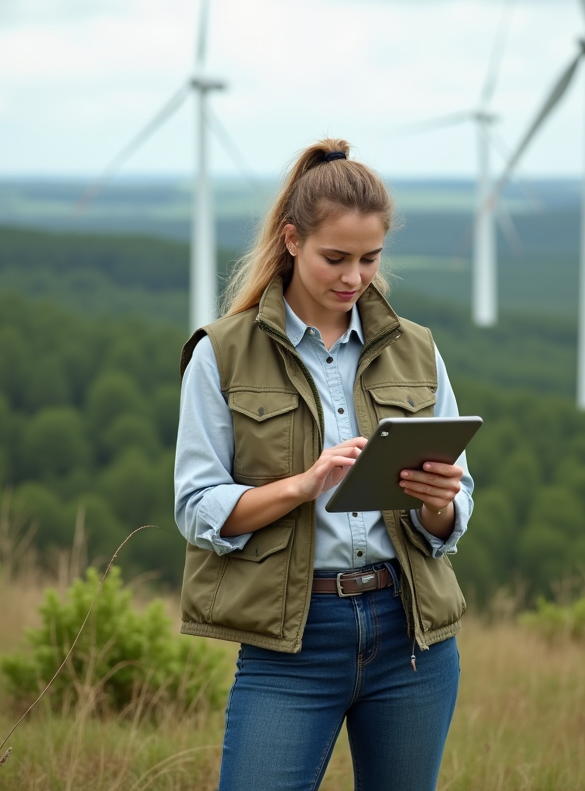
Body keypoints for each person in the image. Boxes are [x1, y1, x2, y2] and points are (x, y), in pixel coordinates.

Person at [174, 137, 475, 791]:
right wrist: (302, 486)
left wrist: (438, 500)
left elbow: (456, 512)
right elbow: (197, 510)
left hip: (413, 639)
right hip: (293, 641)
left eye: (370, 259)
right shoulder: (222, 354)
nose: (354, 277)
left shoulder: (417, 350)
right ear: (290, 239)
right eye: (335, 258)